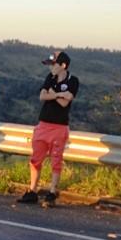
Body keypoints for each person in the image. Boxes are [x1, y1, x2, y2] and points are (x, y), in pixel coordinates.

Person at [18, 51, 79, 208]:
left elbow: (66, 103)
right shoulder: (49, 78)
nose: (51, 68)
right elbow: (42, 96)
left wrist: (52, 93)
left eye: (54, 64)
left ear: (63, 65)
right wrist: (59, 94)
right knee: (35, 159)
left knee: (56, 161)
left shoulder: (73, 80)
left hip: (59, 127)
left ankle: (52, 192)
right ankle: (32, 191)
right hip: (43, 124)